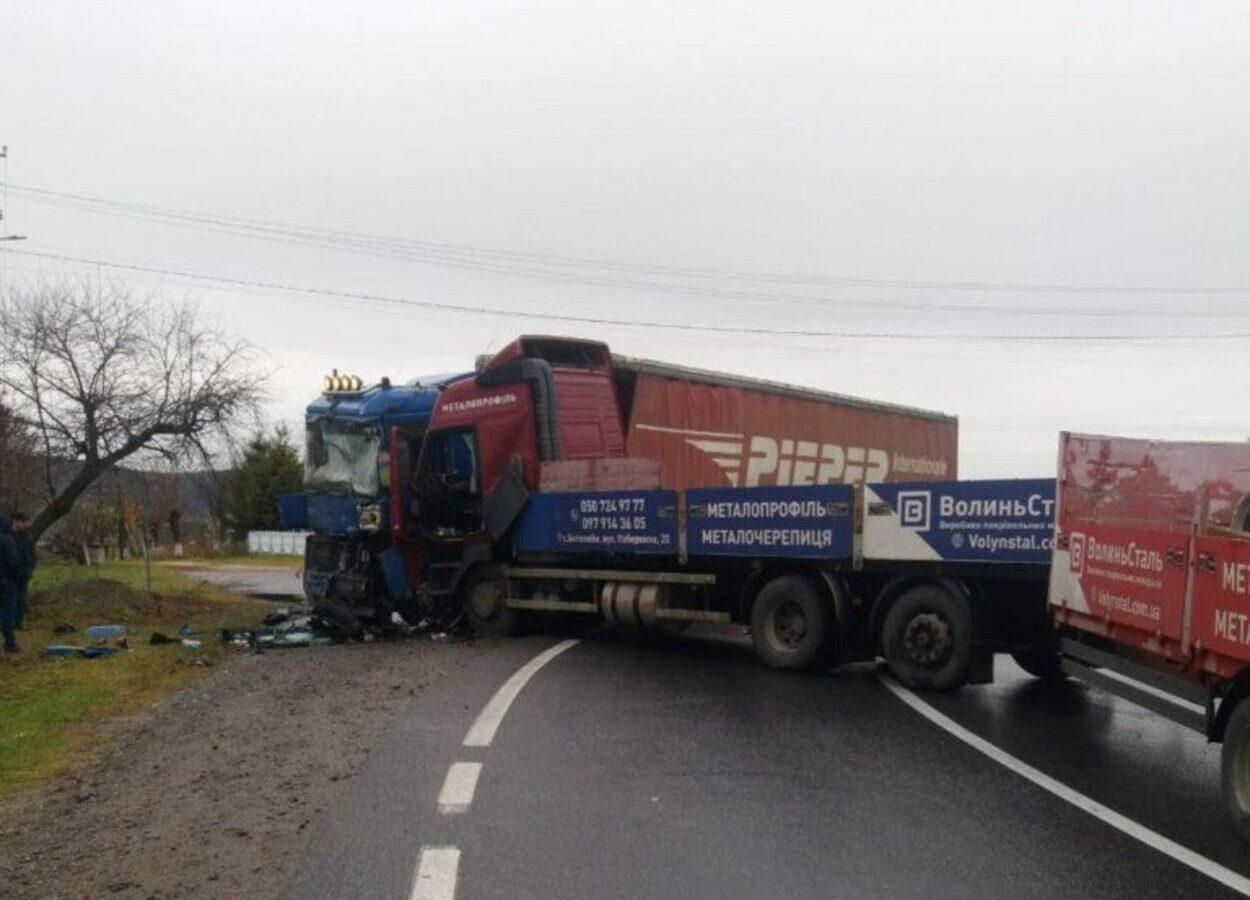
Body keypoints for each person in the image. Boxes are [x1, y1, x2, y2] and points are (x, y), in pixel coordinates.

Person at [11, 512, 35, 631]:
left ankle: (18, 622)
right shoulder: (8, 536)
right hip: (9, 573)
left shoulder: (27, 537)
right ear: (16, 521)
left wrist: (29, 569)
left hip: (23, 572)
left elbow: (31, 555)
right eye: (24, 522)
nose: (26, 525)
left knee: (21, 598)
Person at [0, 516, 19, 653]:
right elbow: (14, 563)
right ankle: (9, 642)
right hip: (6, 582)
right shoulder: (7, 540)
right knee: (7, 612)